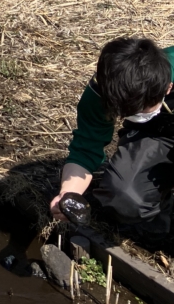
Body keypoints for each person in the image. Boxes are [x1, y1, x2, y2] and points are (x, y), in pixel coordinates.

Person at [50, 38, 174, 247]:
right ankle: (161, 209)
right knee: (124, 198)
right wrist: (67, 193)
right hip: (157, 134)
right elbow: (85, 150)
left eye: (143, 110)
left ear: (168, 88)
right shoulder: (106, 88)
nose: (136, 115)